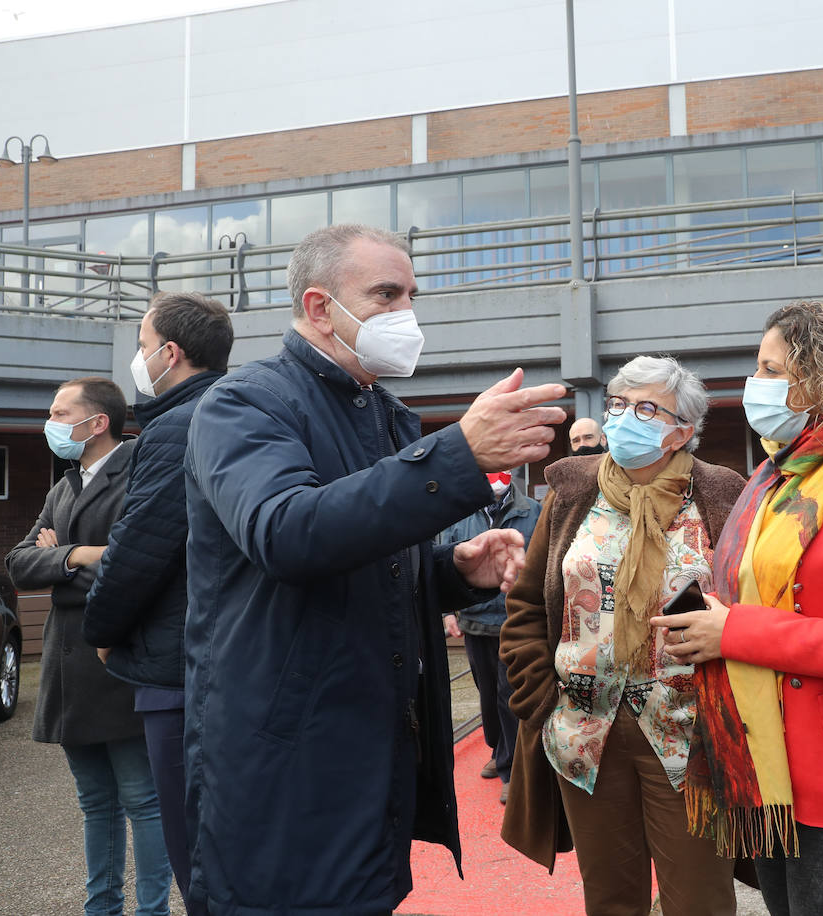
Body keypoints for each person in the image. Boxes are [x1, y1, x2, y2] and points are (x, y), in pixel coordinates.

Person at [181, 224, 566, 914]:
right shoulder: (244, 404)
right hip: (285, 758)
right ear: (320, 306)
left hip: (368, 750)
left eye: (411, 295)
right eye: (386, 294)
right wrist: (456, 456)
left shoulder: (384, 416)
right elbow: (287, 534)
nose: (405, 314)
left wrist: (453, 570)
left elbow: (363, 552)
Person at [650, 301, 823, 916]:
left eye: (770, 367)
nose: (755, 384)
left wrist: (735, 632)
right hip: (768, 764)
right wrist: (705, 621)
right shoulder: (773, 477)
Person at [500, 356, 746, 916]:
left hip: (689, 738)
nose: (623, 419)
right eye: (616, 405)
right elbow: (525, 606)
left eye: (644, 409)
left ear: (682, 429)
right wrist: (542, 700)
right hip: (585, 734)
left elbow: (745, 606)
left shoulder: (719, 494)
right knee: (610, 899)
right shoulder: (570, 491)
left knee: (700, 900)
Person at [82, 291, 233, 916]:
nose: (139, 360)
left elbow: (138, 550)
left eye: (143, 347)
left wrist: (103, 629)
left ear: (170, 354)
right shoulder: (237, 409)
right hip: (222, 660)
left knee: (194, 849)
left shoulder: (177, 427)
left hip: (179, 671)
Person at [6, 376, 172, 916]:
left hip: (118, 662)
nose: (50, 422)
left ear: (96, 422)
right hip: (68, 671)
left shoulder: (137, 476)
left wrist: (61, 559)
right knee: (94, 802)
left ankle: (152, 910)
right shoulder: (63, 485)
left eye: (59, 411)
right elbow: (17, 563)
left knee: (143, 802)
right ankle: (101, 907)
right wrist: (80, 555)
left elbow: (135, 570)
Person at [437, 468, 543, 804]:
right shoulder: (460, 510)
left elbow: (542, 559)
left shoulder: (531, 512)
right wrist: (447, 611)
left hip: (514, 620)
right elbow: (443, 554)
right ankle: (498, 750)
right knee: (486, 694)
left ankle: (512, 769)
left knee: (508, 694)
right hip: (474, 619)